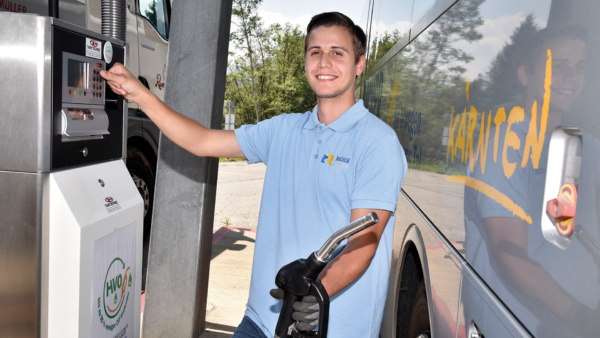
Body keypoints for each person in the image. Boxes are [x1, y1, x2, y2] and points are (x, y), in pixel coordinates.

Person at [101, 11, 406, 337]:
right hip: (261, 320)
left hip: (332, 328)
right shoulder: (284, 130)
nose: (324, 62)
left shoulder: (378, 142)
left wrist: (318, 294)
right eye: (315, 52)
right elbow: (203, 141)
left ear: (359, 64)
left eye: (337, 52)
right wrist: (139, 94)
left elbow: (364, 241)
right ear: (305, 62)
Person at [463, 24, 599, 337]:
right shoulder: (504, 147)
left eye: (580, 67)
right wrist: (579, 315)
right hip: (510, 324)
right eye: (559, 66)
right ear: (526, 75)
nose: (571, 78)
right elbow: (510, 256)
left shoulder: (588, 146)